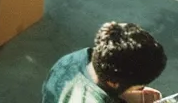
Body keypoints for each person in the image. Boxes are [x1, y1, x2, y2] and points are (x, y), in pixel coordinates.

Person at [40, 22, 168, 103]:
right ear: (113, 83)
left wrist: (125, 96)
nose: (141, 90)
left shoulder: (73, 59)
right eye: (139, 87)